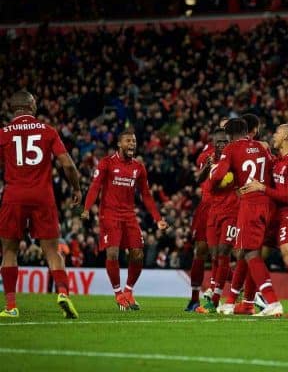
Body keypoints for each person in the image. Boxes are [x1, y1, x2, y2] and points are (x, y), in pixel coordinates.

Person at [0, 90, 81, 319]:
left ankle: (11, 306)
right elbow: (68, 165)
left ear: (12, 109)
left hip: (13, 196)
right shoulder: (47, 131)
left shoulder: (3, 134)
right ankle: (63, 293)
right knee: (53, 251)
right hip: (42, 196)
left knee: (9, 250)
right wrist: (76, 188)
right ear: (32, 107)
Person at [82, 130, 168, 311]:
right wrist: (87, 208)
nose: (132, 144)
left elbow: (146, 195)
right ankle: (118, 293)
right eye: (128, 141)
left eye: (134, 141)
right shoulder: (106, 163)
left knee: (138, 253)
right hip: (109, 214)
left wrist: (157, 218)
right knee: (112, 253)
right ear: (119, 144)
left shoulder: (138, 168)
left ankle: (128, 291)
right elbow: (95, 186)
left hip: (129, 215)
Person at [210, 118, 284, 317]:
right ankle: (231, 302)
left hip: (249, 204)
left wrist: (215, 173)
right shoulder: (261, 148)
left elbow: (218, 176)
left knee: (251, 253)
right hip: (267, 203)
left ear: (228, 135)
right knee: (244, 252)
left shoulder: (231, 149)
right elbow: (272, 169)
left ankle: (273, 301)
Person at [240, 123, 288, 317]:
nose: (274, 135)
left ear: (286, 137)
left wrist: (261, 188)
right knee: (257, 256)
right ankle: (247, 302)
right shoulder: (279, 160)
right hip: (273, 216)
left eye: (277, 133)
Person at [194, 129, 237, 314]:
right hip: (213, 212)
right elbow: (198, 179)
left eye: (224, 142)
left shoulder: (235, 160)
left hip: (231, 212)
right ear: (213, 143)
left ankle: (214, 298)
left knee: (223, 252)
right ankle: (240, 283)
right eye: (218, 142)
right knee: (214, 256)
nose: (221, 145)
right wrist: (207, 167)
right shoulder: (210, 159)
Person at [185, 128, 225, 312]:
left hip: (229, 207)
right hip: (207, 207)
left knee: (226, 253)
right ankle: (195, 298)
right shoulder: (207, 153)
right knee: (202, 250)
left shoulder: (236, 152)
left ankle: (239, 292)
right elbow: (199, 177)